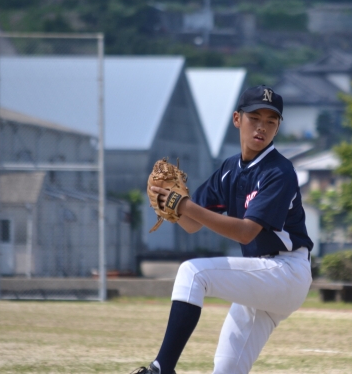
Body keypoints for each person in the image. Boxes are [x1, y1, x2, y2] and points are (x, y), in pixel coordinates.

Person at [132, 85, 314, 374]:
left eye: (271, 121)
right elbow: (193, 224)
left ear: (278, 127)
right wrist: (171, 208)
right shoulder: (229, 170)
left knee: (193, 273)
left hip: (286, 272)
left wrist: (184, 205)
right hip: (260, 277)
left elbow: (245, 232)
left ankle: (161, 368)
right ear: (237, 119)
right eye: (255, 118)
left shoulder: (279, 171)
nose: (262, 127)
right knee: (227, 369)